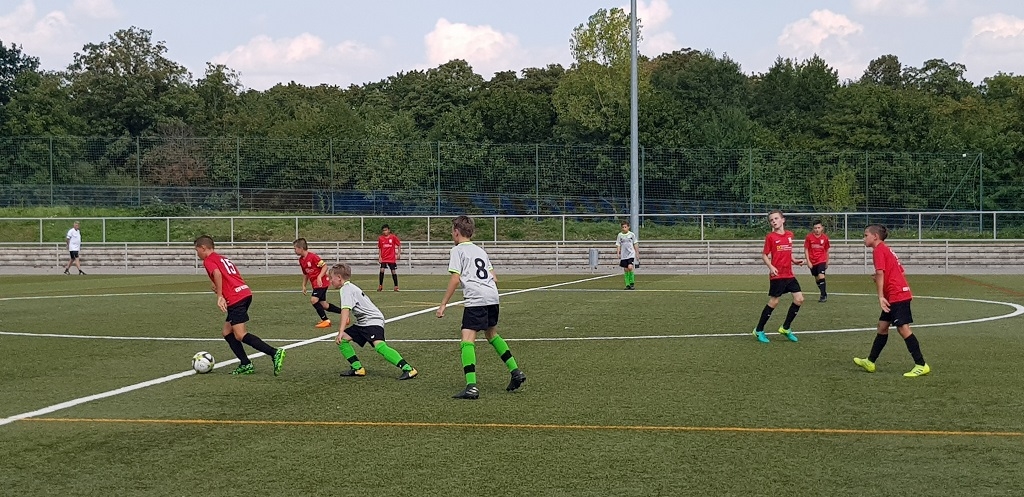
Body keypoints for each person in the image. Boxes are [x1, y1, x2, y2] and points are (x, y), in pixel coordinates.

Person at [437, 215, 526, 400]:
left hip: (476, 298)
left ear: (456, 232)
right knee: (492, 334)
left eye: (452, 231)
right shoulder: (480, 251)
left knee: (467, 339)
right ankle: (516, 371)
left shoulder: (457, 250)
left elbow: (455, 279)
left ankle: (471, 387)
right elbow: (494, 277)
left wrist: (443, 303)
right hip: (492, 296)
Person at [194, 235, 285, 376]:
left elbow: (217, 273)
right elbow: (228, 275)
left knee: (240, 334)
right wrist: (218, 286)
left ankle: (274, 352)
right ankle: (245, 363)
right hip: (244, 293)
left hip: (235, 298)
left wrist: (220, 296)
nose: (197, 253)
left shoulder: (208, 260)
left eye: (197, 250)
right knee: (227, 332)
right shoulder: (222, 258)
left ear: (203, 248)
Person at [854, 225, 930, 377]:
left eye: (866, 235)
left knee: (903, 329)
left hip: (897, 294)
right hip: (895, 293)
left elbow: (880, 273)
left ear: (875, 236)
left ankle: (921, 364)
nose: (864, 238)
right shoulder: (886, 249)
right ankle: (870, 361)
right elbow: (900, 271)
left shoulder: (878, 250)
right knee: (882, 327)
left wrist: (880, 296)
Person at [329, 263, 418, 380]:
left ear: (339, 277)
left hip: (372, 320)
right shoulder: (349, 287)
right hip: (363, 322)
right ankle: (357, 368)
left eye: (331, 278)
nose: (330, 281)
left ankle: (408, 369)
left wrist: (340, 331)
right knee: (343, 341)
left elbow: (345, 310)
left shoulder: (346, 289)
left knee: (379, 346)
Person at [752, 210, 804, 343]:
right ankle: (758, 330)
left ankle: (785, 328)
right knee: (774, 302)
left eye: (776, 218)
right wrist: (771, 267)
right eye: (771, 220)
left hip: (789, 274)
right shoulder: (770, 237)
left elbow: (788, 251)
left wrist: (794, 260)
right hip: (777, 275)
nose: (774, 221)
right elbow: (764, 255)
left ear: (783, 220)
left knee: (799, 299)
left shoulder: (789, 235)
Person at [294, 238, 342, 328]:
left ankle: (326, 320)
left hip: (321, 283)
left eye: (295, 248)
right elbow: (306, 273)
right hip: (316, 284)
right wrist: (304, 285)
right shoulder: (301, 260)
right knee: (324, 305)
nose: (294, 250)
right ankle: (344, 314)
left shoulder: (313, 257)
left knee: (314, 300)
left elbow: (325, 266)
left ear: (301, 248)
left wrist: (319, 276)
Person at [804, 220, 831, 303]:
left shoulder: (825, 238)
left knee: (821, 276)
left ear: (822, 228)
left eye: (819, 228)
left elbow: (827, 250)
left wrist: (827, 261)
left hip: (821, 260)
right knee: (817, 278)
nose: (817, 230)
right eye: (815, 228)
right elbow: (806, 249)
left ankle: (823, 296)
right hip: (812, 261)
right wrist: (808, 261)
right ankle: (824, 292)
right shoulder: (809, 237)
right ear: (813, 228)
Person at [377, 224, 402, 292]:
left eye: (386, 230)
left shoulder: (393, 237)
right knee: (382, 270)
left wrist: (398, 254)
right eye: (383, 230)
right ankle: (380, 286)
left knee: (393, 271)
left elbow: (399, 245)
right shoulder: (380, 238)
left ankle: (396, 286)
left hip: (391, 258)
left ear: (389, 230)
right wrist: (380, 257)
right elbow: (380, 248)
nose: (384, 232)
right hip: (384, 258)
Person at [615, 221, 639, 290]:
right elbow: (618, 244)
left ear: (628, 227)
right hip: (624, 255)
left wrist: (637, 253)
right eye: (623, 227)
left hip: (631, 254)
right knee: (625, 269)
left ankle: (632, 283)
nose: (624, 228)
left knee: (630, 267)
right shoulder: (620, 235)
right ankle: (627, 284)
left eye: (625, 227)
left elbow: (635, 243)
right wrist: (618, 253)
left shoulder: (631, 235)